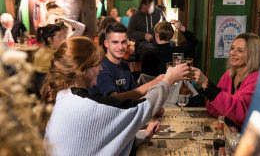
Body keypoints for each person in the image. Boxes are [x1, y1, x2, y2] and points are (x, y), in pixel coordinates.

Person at [41, 36, 189, 156]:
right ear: (83, 70)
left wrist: (141, 136)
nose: (100, 68)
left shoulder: (63, 96)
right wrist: (168, 80)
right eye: (97, 64)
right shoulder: (87, 104)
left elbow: (93, 142)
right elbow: (143, 107)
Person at [191, 33, 260, 129]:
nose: (232, 53)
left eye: (240, 50)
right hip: (228, 131)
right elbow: (212, 107)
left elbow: (240, 114)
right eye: (232, 48)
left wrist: (206, 84)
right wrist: (229, 122)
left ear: (252, 55)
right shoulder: (229, 74)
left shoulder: (256, 79)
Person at [89, 22, 164, 100]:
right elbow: (113, 99)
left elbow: (135, 94)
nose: (120, 47)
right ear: (106, 44)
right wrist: (152, 84)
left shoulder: (124, 65)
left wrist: (151, 104)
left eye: (123, 42)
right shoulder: (100, 67)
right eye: (115, 42)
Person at [33, 24, 66, 97]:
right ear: (50, 39)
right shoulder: (53, 54)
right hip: (46, 88)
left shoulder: (42, 49)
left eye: (63, 35)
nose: (64, 38)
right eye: (60, 36)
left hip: (39, 86)